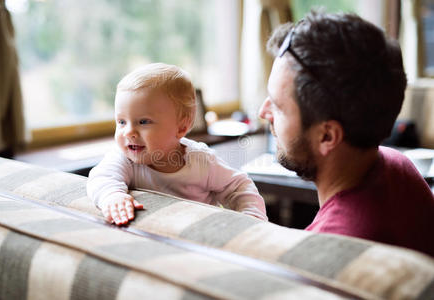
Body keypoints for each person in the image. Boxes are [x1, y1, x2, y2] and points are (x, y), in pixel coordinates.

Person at [259, 11, 434, 256]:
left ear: (327, 136)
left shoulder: (330, 250)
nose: (262, 111)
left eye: (278, 106)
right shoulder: (398, 165)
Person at [87, 63, 267, 225]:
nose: (128, 132)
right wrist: (112, 196)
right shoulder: (124, 158)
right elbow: (101, 177)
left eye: (143, 122)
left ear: (182, 127)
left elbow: (239, 186)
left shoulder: (202, 161)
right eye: (121, 122)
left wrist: (251, 217)